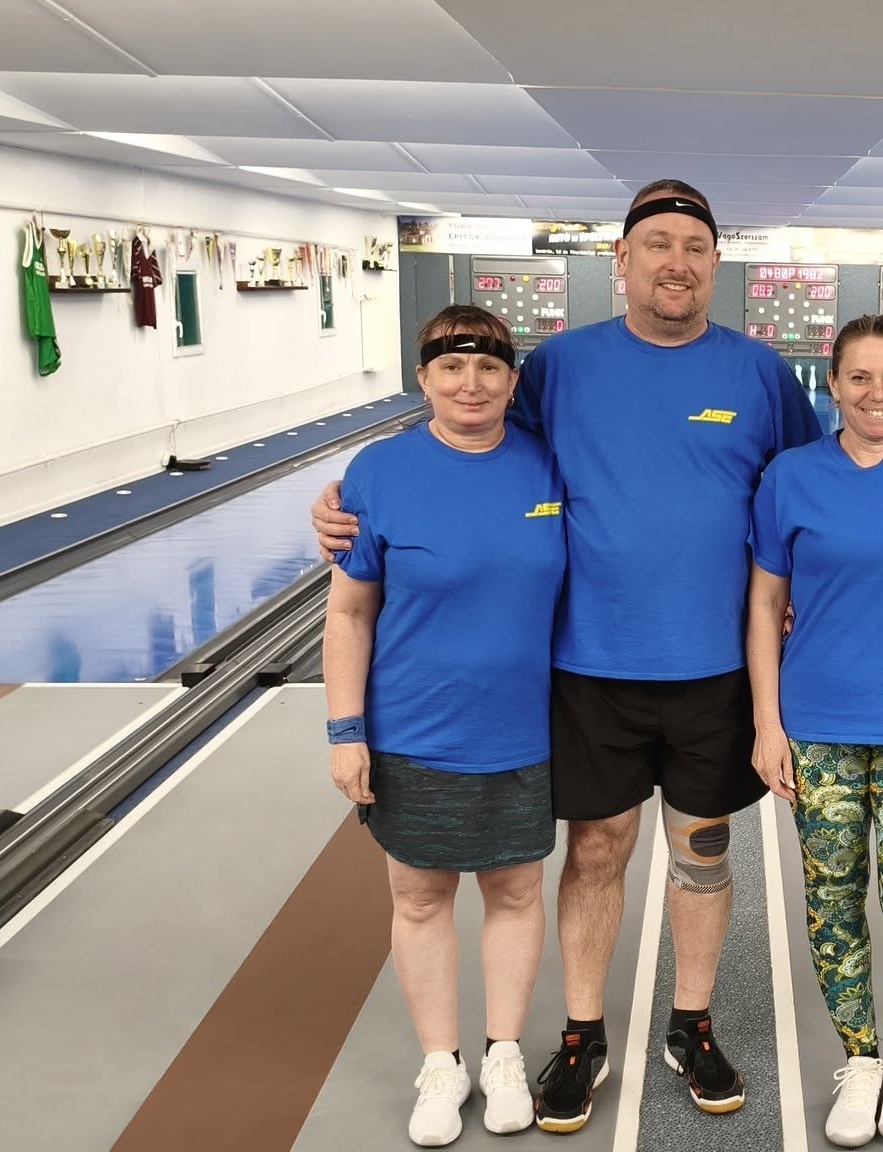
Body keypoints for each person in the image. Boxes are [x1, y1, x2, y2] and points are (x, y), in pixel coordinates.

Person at [315, 181, 822, 1133]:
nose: (677, 263)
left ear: (717, 264)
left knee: (702, 851)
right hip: (590, 666)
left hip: (714, 665)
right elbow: (476, 454)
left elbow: (809, 484)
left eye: (696, 248)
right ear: (621, 261)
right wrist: (354, 508)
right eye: (657, 244)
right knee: (596, 849)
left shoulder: (759, 374)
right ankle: (582, 1034)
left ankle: (692, 1024)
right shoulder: (558, 368)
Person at [322, 305, 564, 1146]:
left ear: (512, 381)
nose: (471, 384)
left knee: (516, 891)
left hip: (522, 729)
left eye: (489, 368)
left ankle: (503, 1054)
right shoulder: (379, 472)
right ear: (423, 379)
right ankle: (440, 1062)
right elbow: (350, 613)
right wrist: (344, 731)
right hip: (414, 729)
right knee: (421, 897)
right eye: (452, 368)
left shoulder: (548, 464)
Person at [745, 316, 883, 1147]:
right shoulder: (790, 476)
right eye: (860, 378)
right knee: (833, 900)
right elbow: (765, 603)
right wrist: (767, 723)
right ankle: (859, 1060)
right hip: (819, 726)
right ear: (833, 384)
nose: (878, 395)